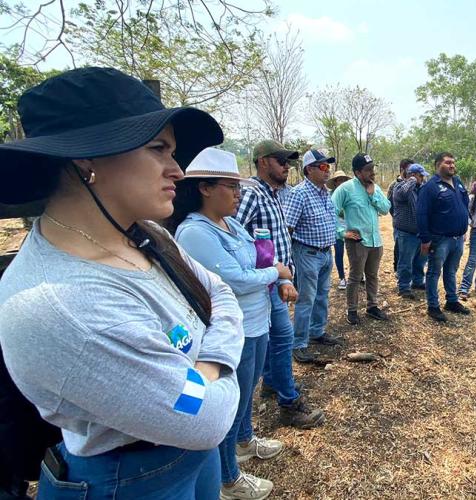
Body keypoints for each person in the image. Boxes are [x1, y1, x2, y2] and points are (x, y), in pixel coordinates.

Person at [0, 67, 241, 499]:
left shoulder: (146, 235)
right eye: (158, 148)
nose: (177, 170)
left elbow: (221, 293)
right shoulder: (63, 304)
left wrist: (205, 368)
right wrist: (218, 364)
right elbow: (207, 418)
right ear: (86, 159)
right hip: (127, 480)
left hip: (189, 460)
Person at [169, 147, 290, 500]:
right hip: (231, 330)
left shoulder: (231, 224)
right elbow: (236, 279)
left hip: (256, 320)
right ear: (205, 188)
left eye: (238, 187)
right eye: (231, 187)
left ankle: (244, 441)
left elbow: (257, 258)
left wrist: (273, 273)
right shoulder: (195, 233)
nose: (238, 194)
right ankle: (228, 478)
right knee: (230, 401)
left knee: (247, 390)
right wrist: (276, 272)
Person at [235, 139, 325, 428]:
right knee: (284, 338)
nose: (287, 166)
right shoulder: (251, 193)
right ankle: (289, 403)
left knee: (274, 338)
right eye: (281, 161)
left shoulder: (272, 193)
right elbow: (233, 238)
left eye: (288, 162)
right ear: (263, 162)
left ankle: (273, 382)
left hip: (275, 280)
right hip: (264, 282)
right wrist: (276, 274)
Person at [284, 150, 340, 363]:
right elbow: (287, 228)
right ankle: (299, 343)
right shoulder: (299, 194)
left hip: (326, 252)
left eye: (328, 166)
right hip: (307, 252)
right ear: (309, 169)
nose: (327, 171)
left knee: (322, 295)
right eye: (323, 166)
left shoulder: (325, 192)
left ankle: (317, 331)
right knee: (306, 298)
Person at [332, 153, 392, 325]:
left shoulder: (375, 187)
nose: (372, 172)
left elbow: (385, 209)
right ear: (357, 172)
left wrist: (373, 195)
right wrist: (341, 232)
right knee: (355, 277)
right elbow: (330, 211)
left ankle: (372, 307)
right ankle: (352, 310)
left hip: (375, 241)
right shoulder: (345, 189)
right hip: (357, 242)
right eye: (368, 170)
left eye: (373, 168)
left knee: (372, 275)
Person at [417, 152, 471, 322]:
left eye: (453, 162)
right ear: (437, 165)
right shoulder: (430, 187)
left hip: (458, 238)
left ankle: (452, 301)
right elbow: (422, 214)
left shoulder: (458, 182)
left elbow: (464, 205)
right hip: (440, 239)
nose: (452, 165)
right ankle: (433, 306)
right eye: (447, 162)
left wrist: (463, 227)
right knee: (434, 272)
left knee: (451, 270)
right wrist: (425, 239)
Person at [392, 163, 429, 299]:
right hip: (406, 233)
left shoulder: (420, 189)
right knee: (405, 262)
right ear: (412, 175)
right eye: (420, 176)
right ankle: (404, 287)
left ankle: (417, 281)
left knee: (420, 261)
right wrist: (412, 180)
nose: (423, 179)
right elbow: (404, 193)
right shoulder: (399, 187)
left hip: (420, 232)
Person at [388, 159, 414, 272]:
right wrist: (397, 216)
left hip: (413, 224)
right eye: (409, 169)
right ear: (402, 169)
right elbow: (390, 204)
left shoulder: (415, 183)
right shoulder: (394, 185)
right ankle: (397, 270)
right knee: (399, 247)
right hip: (400, 223)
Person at [327, 169, 352, 290]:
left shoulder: (350, 194)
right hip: (337, 229)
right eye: (339, 180)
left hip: (350, 227)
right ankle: (342, 278)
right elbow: (332, 213)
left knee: (354, 253)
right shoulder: (330, 196)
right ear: (335, 182)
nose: (342, 182)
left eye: (344, 180)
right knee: (339, 252)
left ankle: (357, 275)